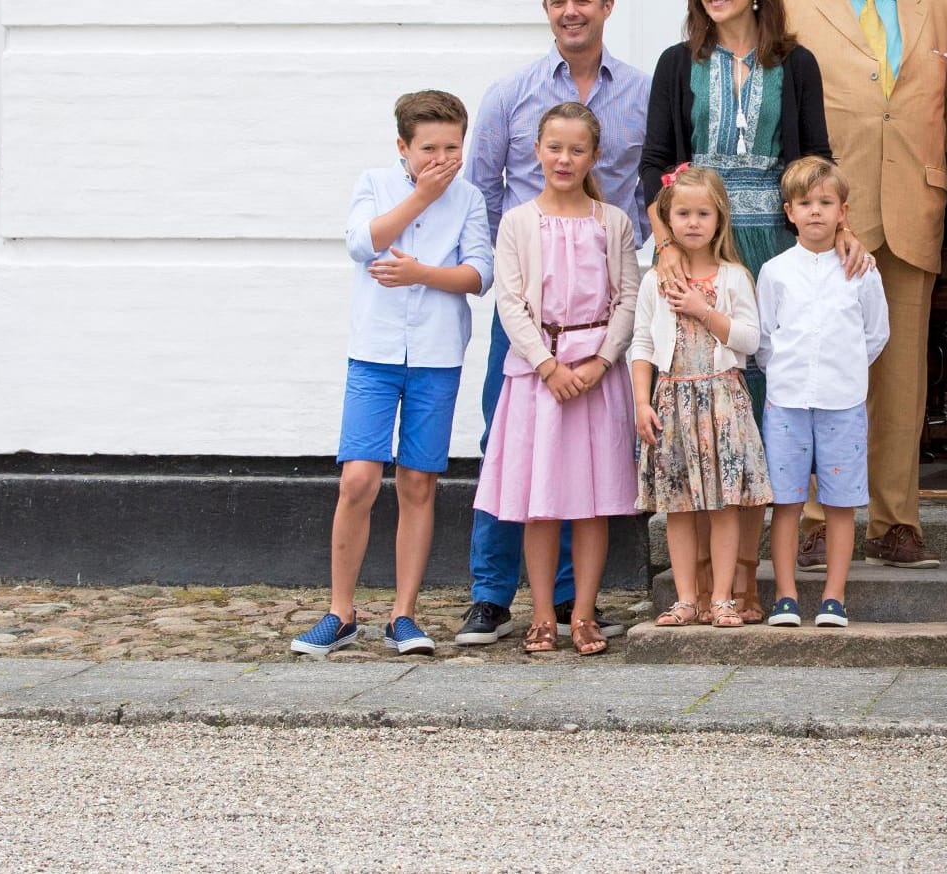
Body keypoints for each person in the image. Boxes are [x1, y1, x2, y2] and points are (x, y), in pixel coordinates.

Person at [641, 0, 867, 624]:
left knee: (753, 424)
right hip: (698, 246)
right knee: (709, 415)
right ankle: (708, 586)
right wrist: (666, 247)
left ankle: (745, 576)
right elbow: (654, 164)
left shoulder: (795, 64)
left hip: (776, 247)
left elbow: (815, 157)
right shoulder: (675, 63)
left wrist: (833, 235)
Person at [460, 0, 649, 646]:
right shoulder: (511, 94)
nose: (573, 9)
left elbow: (649, 184)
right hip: (528, 318)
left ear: (607, 8)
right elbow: (483, 187)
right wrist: (519, 272)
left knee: (585, 462)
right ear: (547, 8)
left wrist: (621, 254)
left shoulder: (643, 94)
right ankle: (491, 594)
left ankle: (572, 600)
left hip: (600, 318)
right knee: (512, 449)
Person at [291, 91, 495, 656]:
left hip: (436, 354)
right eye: (428, 148)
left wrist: (422, 273)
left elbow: (479, 274)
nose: (441, 158)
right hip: (375, 352)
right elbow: (362, 242)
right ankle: (341, 610)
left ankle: (403, 613)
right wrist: (422, 198)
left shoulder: (471, 199)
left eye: (452, 146)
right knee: (357, 478)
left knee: (417, 481)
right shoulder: (374, 184)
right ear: (403, 147)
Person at [786, 0, 947, 570]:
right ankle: (814, 522)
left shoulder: (945, 12)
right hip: (831, 212)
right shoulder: (795, 7)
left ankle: (896, 524)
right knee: (824, 371)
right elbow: (793, 107)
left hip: (912, 210)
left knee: (904, 381)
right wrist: (824, 207)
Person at [632, 165, 772, 629]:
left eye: (703, 214)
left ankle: (724, 597)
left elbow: (750, 340)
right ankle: (687, 597)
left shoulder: (734, 277)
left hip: (723, 403)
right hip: (673, 400)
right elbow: (642, 345)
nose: (693, 222)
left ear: (719, 219)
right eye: (683, 213)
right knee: (680, 505)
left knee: (725, 503)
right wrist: (641, 402)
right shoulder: (655, 281)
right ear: (668, 221)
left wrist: (703, 310)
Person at [759, 157, 889, 627]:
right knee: (788, 501)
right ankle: (787, 596)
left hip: (843, 403)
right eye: (805, 203)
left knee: (839, 501)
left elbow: (875, 334)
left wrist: (846, 370)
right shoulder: (775, 272)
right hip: (788, 403)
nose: (815, 211)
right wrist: (787, 374)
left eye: (825, 202)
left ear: (843, 210)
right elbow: (765, 339)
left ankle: (834, 597)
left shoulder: (861, 271)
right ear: (789, 211)